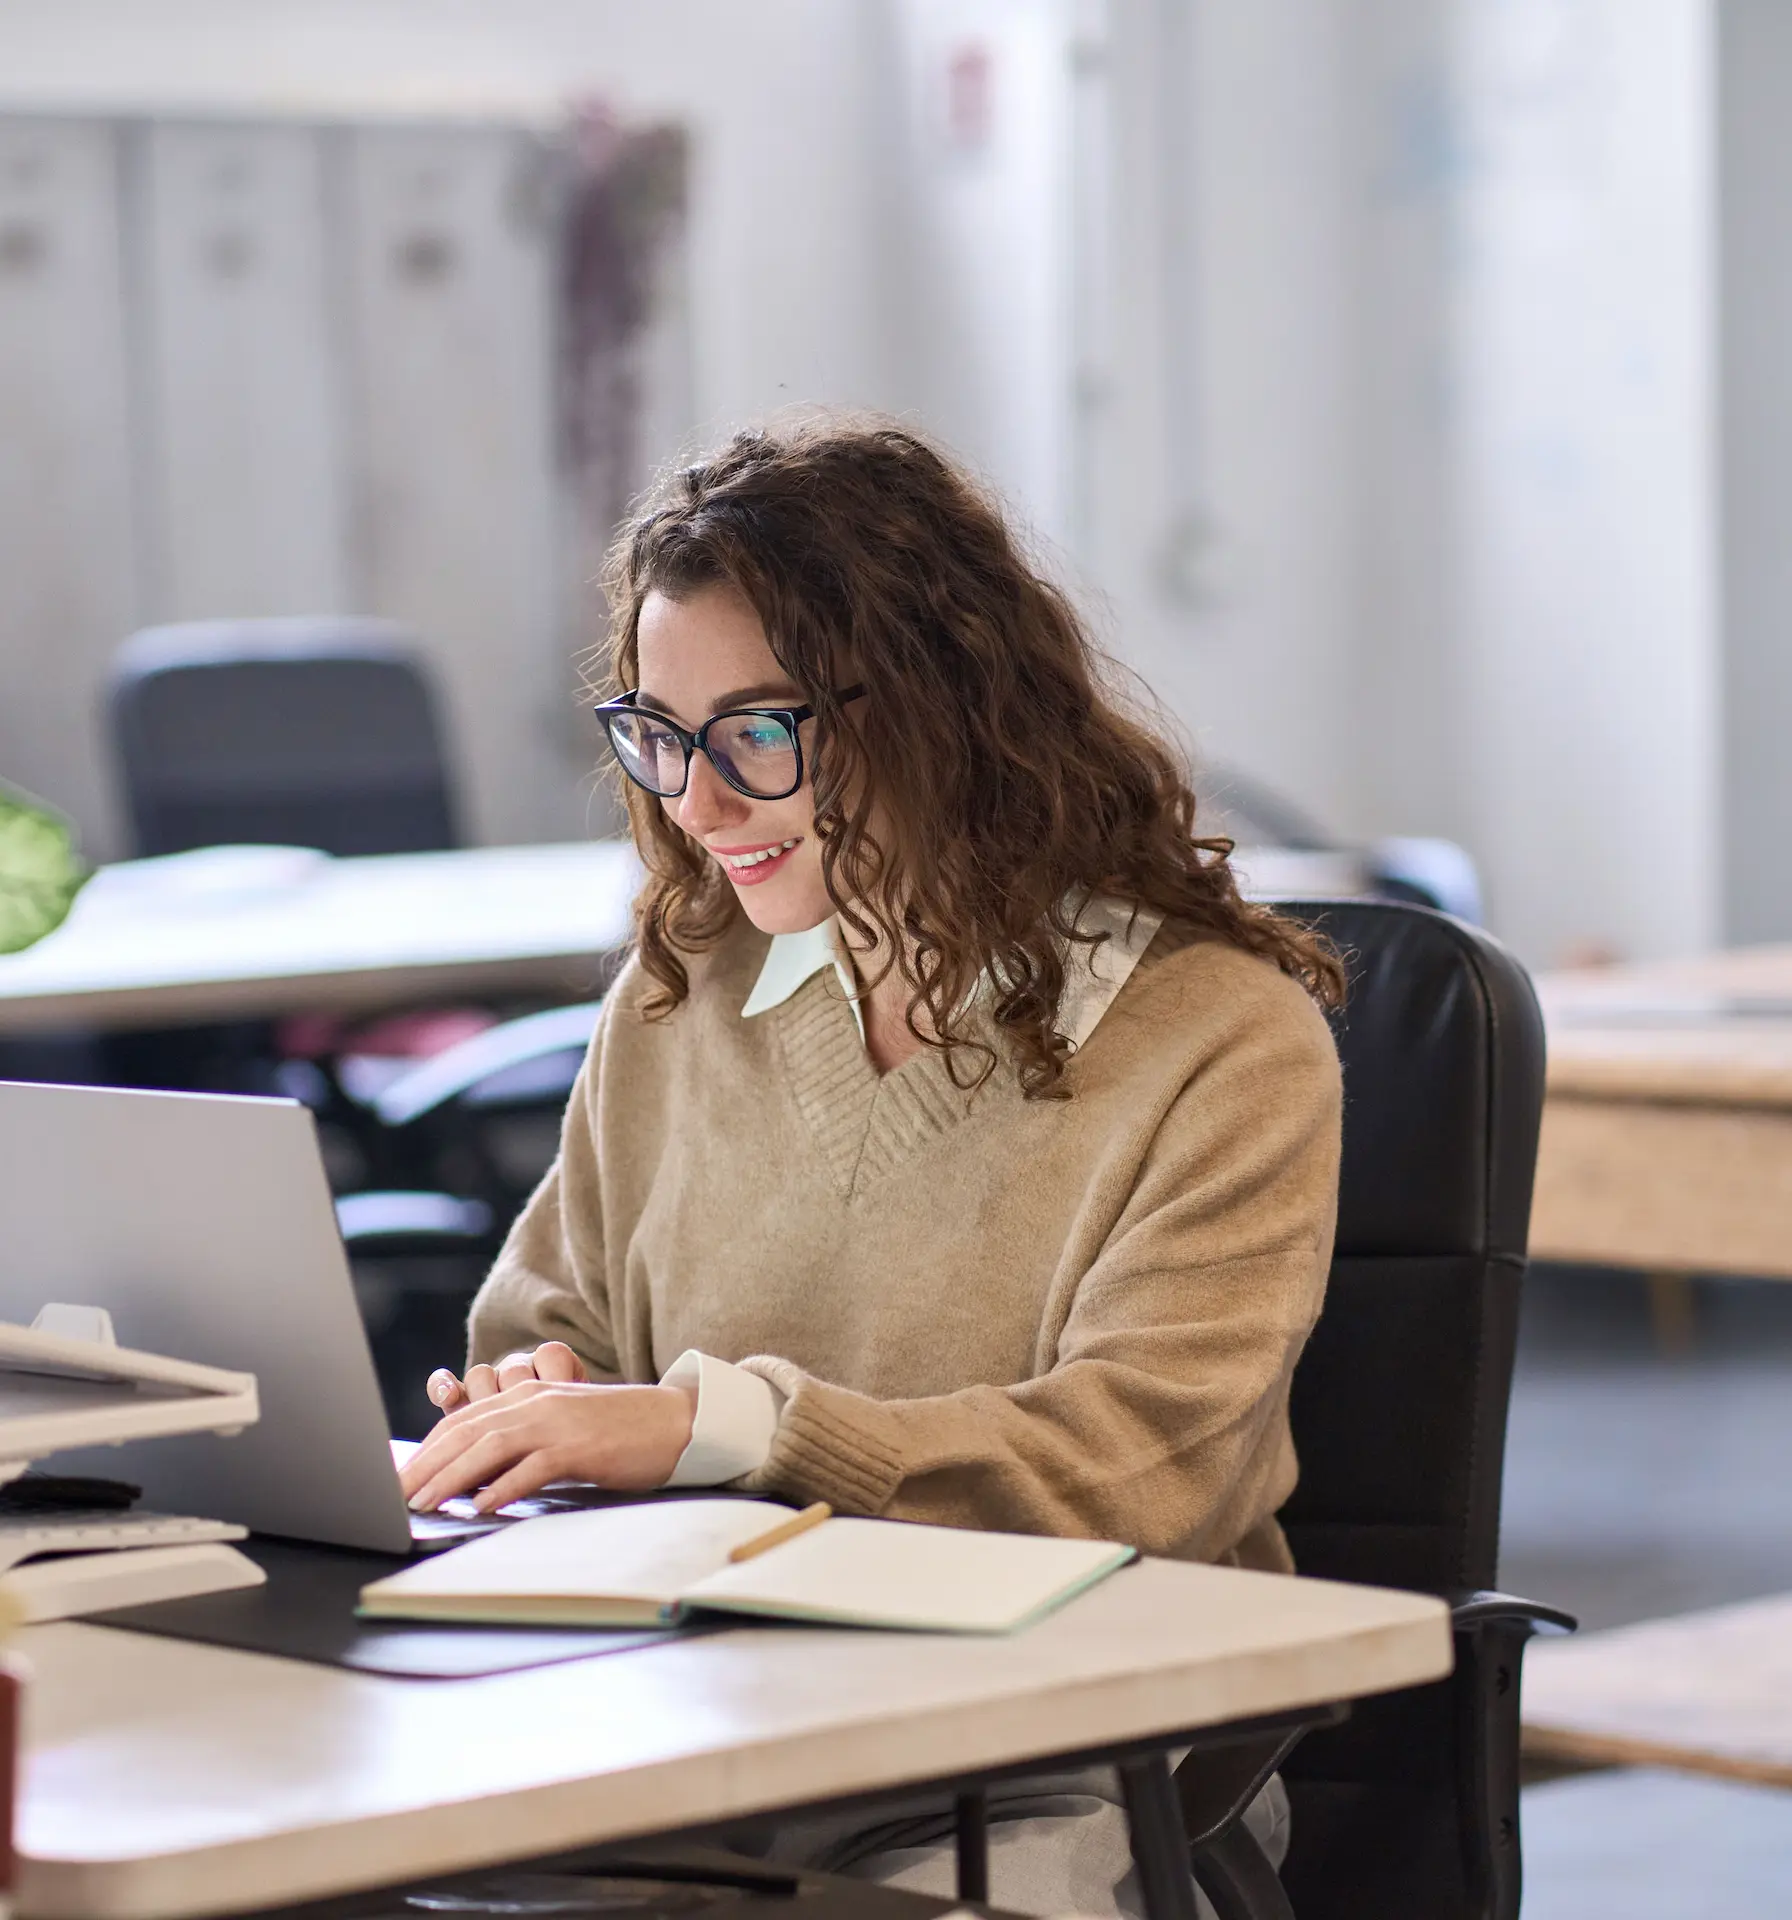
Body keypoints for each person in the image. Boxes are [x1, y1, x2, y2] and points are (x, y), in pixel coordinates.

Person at [399, 416, 1344, 1916]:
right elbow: (543, 1324)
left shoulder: (1219, 1040)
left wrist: (721, 1427)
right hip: (702, 1710)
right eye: (658, 733)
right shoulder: (682, 988)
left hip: (1061, 1751)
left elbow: (1138, 1472)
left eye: (758, 734)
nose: (697, 808)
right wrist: (544, 1401)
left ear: (938, 706)